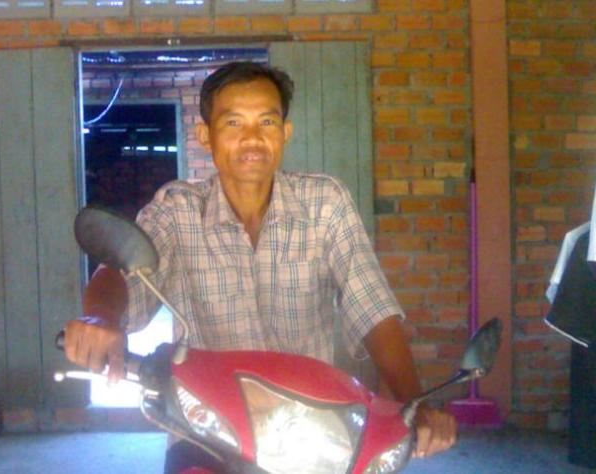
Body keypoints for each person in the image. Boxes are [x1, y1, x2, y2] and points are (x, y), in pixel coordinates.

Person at [64, 61, 457, 472]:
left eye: (266, 122)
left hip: (311, 427)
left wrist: (415, 403)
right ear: (205, 135)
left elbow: (373, 310)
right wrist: (100, 317)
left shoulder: (326, 204)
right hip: (206, 428)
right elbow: (120, 271)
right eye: (233, 123)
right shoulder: (177, 209)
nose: (252, 138)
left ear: (285, 133)